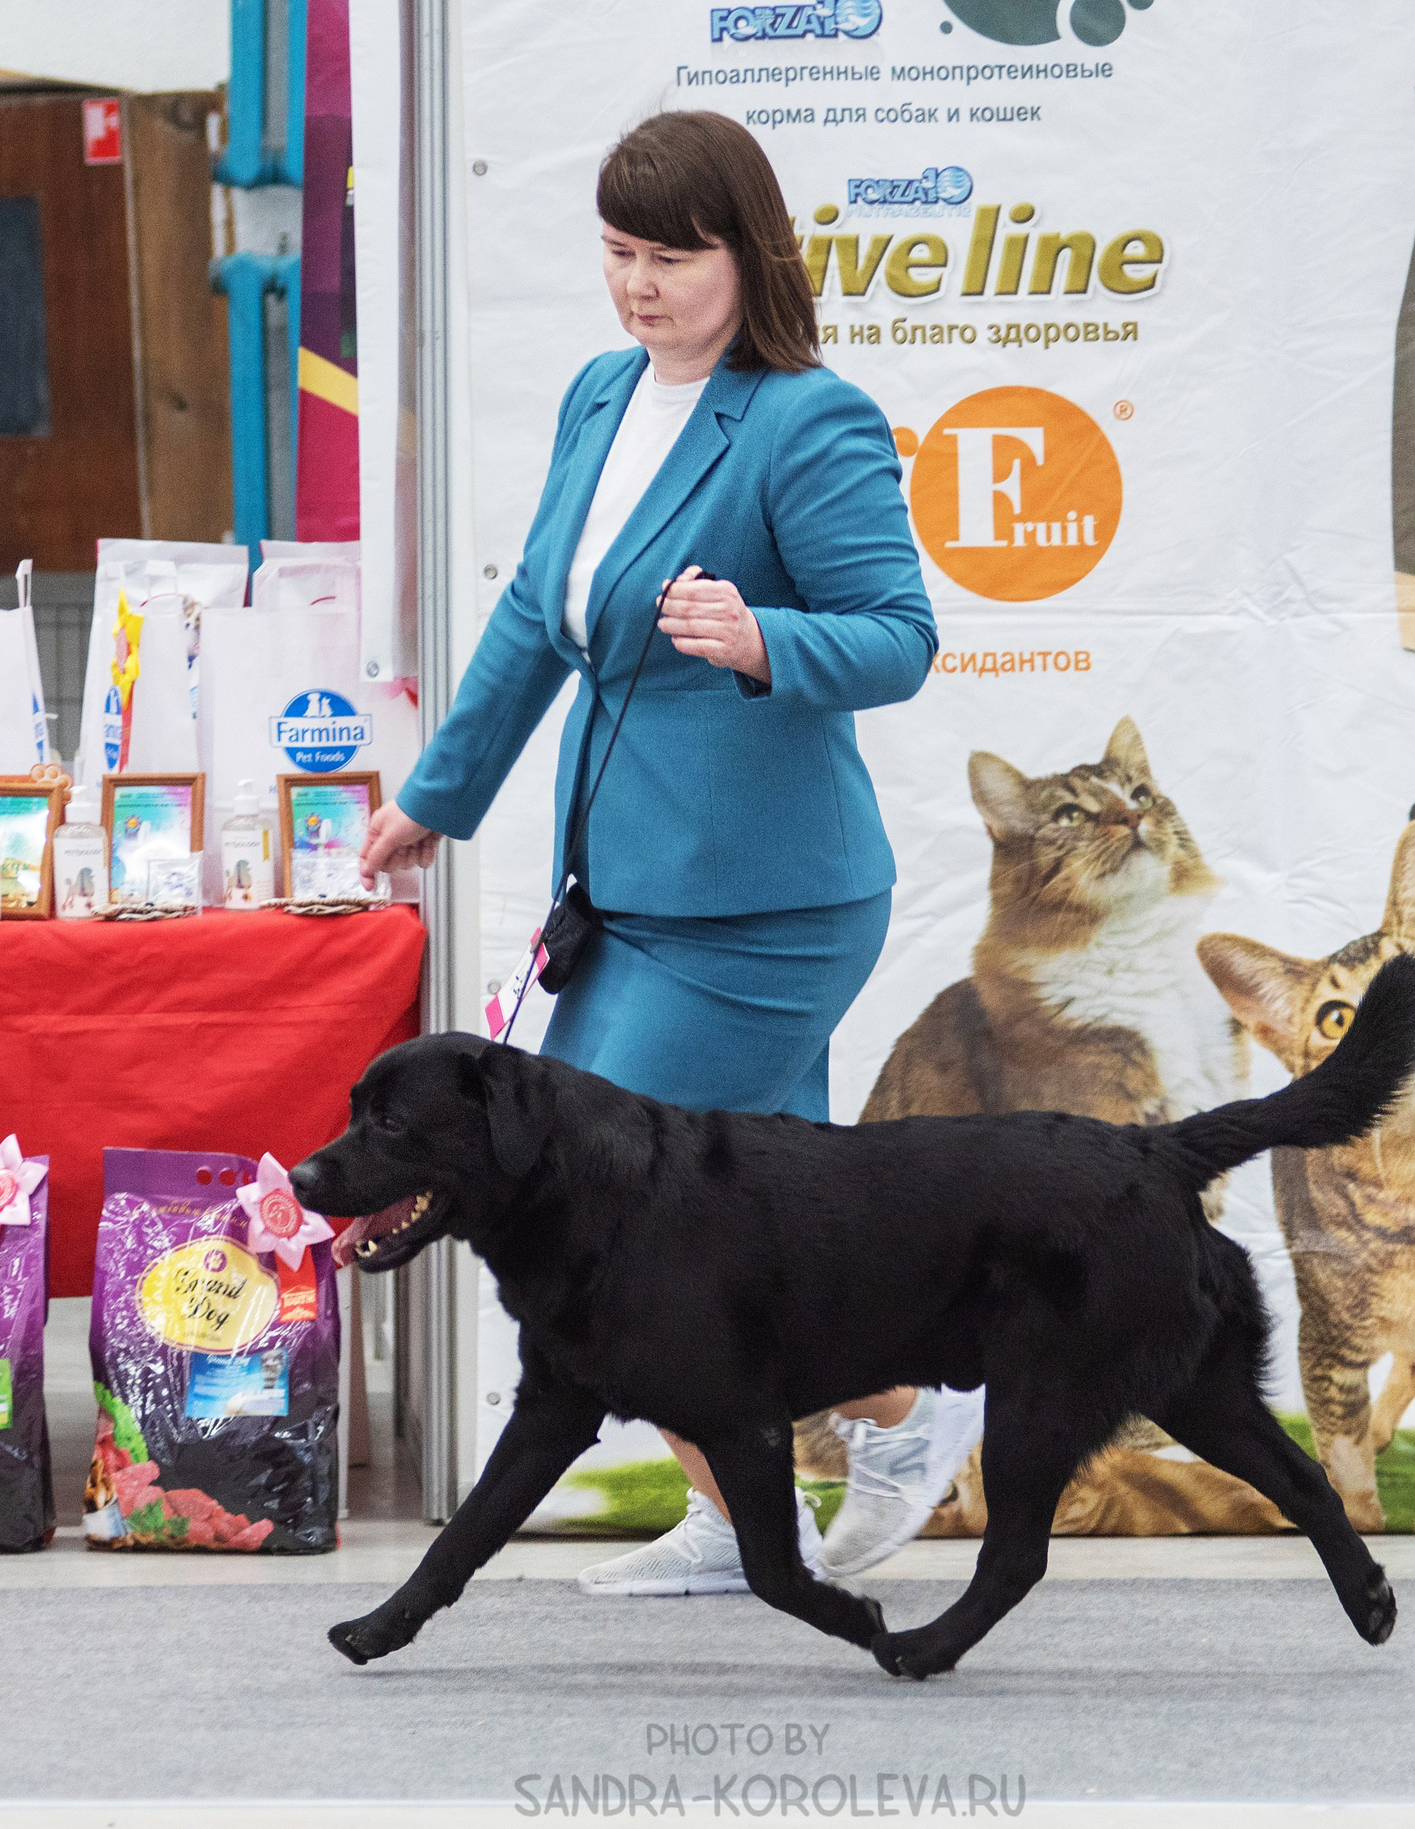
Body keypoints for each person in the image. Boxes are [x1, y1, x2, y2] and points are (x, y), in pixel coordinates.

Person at [360, 110, 982, 1595]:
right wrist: (438, 798)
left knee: (615, 1220)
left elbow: (901, 638)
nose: (637, 285)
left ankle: (911, 1411)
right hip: (631, 899)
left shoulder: (805, 419)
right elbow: (536, 619)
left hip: (770, 904)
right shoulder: (600, 394)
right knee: (744, 1231)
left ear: (743, 254)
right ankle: (739, 1512)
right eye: (617, 252)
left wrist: (767, 639)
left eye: (670, 255)